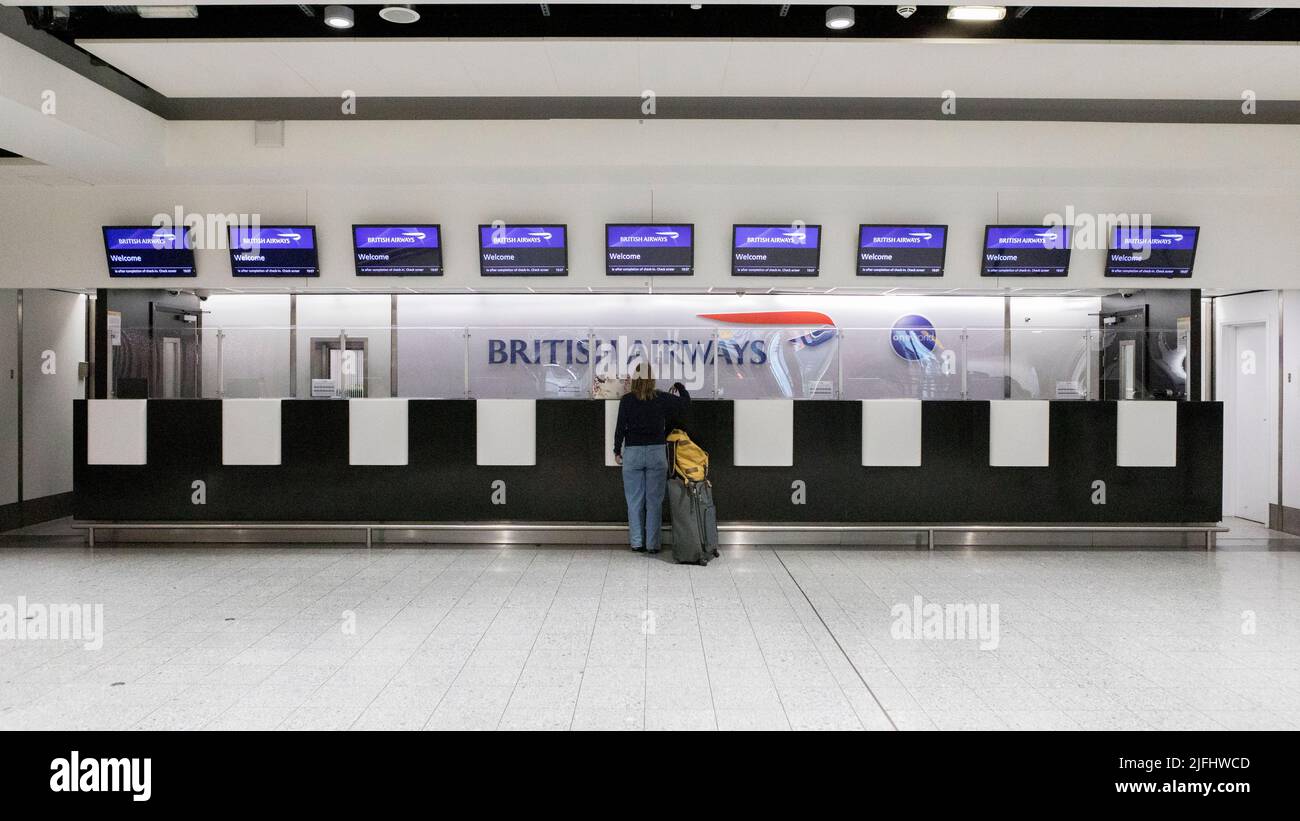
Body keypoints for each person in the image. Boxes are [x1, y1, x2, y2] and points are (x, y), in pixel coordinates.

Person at [613, 363, 690, 554]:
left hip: (633, 453)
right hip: (656, 452)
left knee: (634, 501)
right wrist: (680, 386)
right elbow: (686, 403)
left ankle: (637, 543)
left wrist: (617, 450)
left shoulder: (627, 400)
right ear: (652, 379)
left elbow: (620, 427)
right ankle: (653, 545)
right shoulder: (661, 398)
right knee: (654, 501)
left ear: (634, 379)